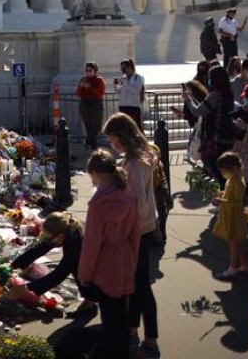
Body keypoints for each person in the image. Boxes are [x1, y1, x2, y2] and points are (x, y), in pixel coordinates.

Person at [102, 113, 161, 358]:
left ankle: (150, 339)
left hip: (137, 228)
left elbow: (134, 200)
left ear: (122, 136)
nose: (113, 145)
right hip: (146, 224)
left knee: (141, 287)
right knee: (137, 286)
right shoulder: (143, 156)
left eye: (114, 140)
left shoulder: (134, 163)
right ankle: (134, 329)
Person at [78, 150, 140, 359]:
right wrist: (132, 260)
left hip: (104, 265)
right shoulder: (129, 196)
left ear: (96, 173)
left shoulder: (97, 205)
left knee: (109, 319)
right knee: (122, 317)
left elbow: (91, 244)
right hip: (124, 258)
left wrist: (84, 275)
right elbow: (135, 234)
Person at [7, 212, 96, 313]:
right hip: (96, 258)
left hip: (108, 265)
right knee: (76, 265)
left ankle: (92, 300)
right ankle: (91, 299)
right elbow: (42, 247)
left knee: (78, 267)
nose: (48, 240)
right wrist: (15, 264)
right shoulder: (65, 228)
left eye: (49, 238)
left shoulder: (75, 242)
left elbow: (60, 273)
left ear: (60, 235)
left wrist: (27, 288)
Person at [183, 65, 237, 186]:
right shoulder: (228, 93)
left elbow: (197, 111)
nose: (208, 81)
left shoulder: (215, 95)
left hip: (215, 138)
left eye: (210, 78)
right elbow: (205, 108)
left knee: (217, 168)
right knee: (227, 167)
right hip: (228, 135)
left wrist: (188, 100)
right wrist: (192, 99)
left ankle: (225, 195)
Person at [212, 152, 248, 279]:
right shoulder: (231, 180)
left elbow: (235, 201)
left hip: (235, 217)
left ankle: (233, 267)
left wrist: (220, 201)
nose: (223, 174)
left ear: (233, 169)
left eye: (224, 171)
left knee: (233, 243)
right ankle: (244, 265)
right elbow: (229, 194)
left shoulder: (239, 182)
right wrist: (220, 193)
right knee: (237, 243)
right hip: (230, 216)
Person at [77, 62, 106, 149]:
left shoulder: (99, 80)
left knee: (96, 126)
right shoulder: (83, 79)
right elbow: (78, 93)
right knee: (88, 125)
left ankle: (89, 143)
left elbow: (100, 92)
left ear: (95, 71)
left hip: (96, 104)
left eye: (90, 70)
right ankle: (93, 146)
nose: (88, 72)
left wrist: (89, 87)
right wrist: (81, 87)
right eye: (86, 71)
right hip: (85, 104)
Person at [114, 58, 145, 131]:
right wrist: (115, 85)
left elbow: (136, 91)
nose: (122, 70)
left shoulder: (138, 78)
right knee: (124, 127)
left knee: (136, 127)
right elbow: (119, 91)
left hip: (133, 106)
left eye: (123, 68)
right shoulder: (123, 78)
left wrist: (125, 85)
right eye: (121, 68)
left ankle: (140, 142)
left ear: (129, 67)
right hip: (123, 105)